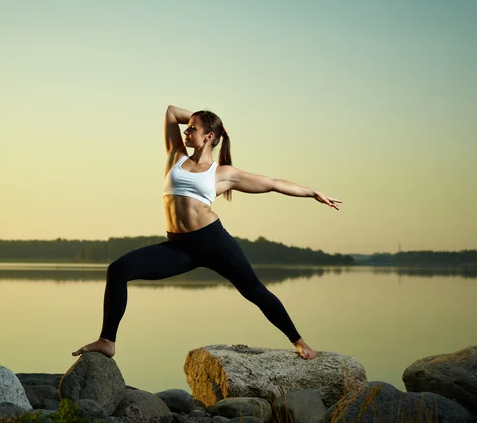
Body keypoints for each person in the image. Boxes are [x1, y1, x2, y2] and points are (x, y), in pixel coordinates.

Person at [72, 105, 341, 360]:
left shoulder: (223, 173)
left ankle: (298, 341)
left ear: (208, 137)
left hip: (213, 242)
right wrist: (211, 123)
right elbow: (171, 112)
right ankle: (107, 341)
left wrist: (312, 193)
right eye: (187, 128)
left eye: (193, 129)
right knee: (118, 269)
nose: (186, 132)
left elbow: (272, 183)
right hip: (178, 247)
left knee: (255, 291)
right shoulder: (176, 156)